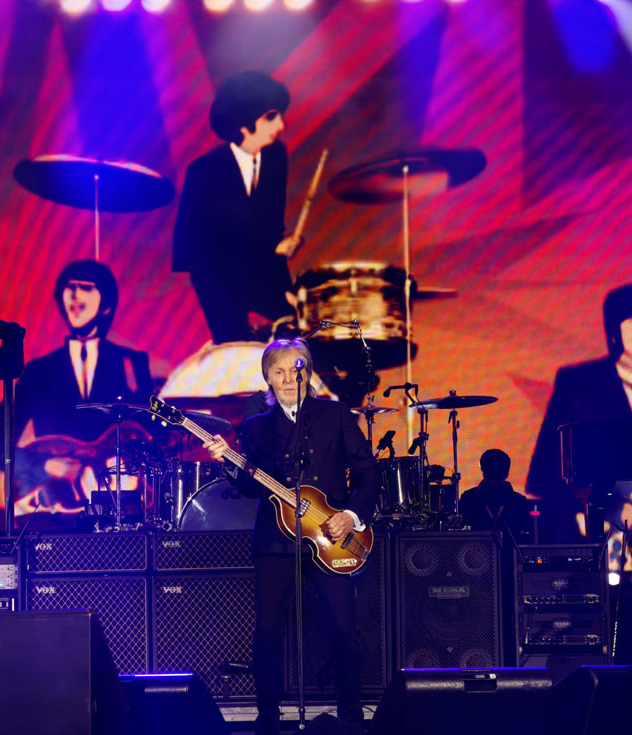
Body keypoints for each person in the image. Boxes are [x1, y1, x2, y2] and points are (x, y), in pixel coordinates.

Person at [204, 338, 379, 735]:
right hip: (275, 541)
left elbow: (369, 473)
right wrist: (228, 464)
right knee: (267, 632)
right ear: (267, 377)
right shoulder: (256, 427)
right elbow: (250, 488)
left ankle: (351, 717)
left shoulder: (335, 416)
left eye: (293, 371)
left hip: (330, 536)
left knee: (343, 628)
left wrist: (351, 517)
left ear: (308, 374)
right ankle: (268, 719)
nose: (286, 379)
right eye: (278, 372)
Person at [0, 260, 156, 517]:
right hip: (55, 508)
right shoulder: (37, 370)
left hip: (118, 509)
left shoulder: (131, 363)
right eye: (70, 288)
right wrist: (46, 464)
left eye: (87, 287)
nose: (76, 294)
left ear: (107, 305)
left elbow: (151, 435)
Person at [525, 283, 632, 543]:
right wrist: (612, 508)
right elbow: (547, 470)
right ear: (614, 330)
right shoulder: (578, 382)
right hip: (596, 523)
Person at [172, 70, 300, 345]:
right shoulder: (203, 172)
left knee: (295, 338)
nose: (281, 124)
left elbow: (270, 228)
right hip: (218, 279)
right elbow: (193, 251)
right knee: (237, 352)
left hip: (264, 273)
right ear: (244, 125)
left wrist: (283, 284)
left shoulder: (276, 157)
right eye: (271, 116)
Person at [459, 449, 530, 542]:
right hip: (476, 554)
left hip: (509, 555)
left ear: (506, 474)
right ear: (483, 472)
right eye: (489, 476)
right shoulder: (468, 499)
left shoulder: (519, 502)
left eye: (497, 476)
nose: (493, 481)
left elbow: (525, 536)